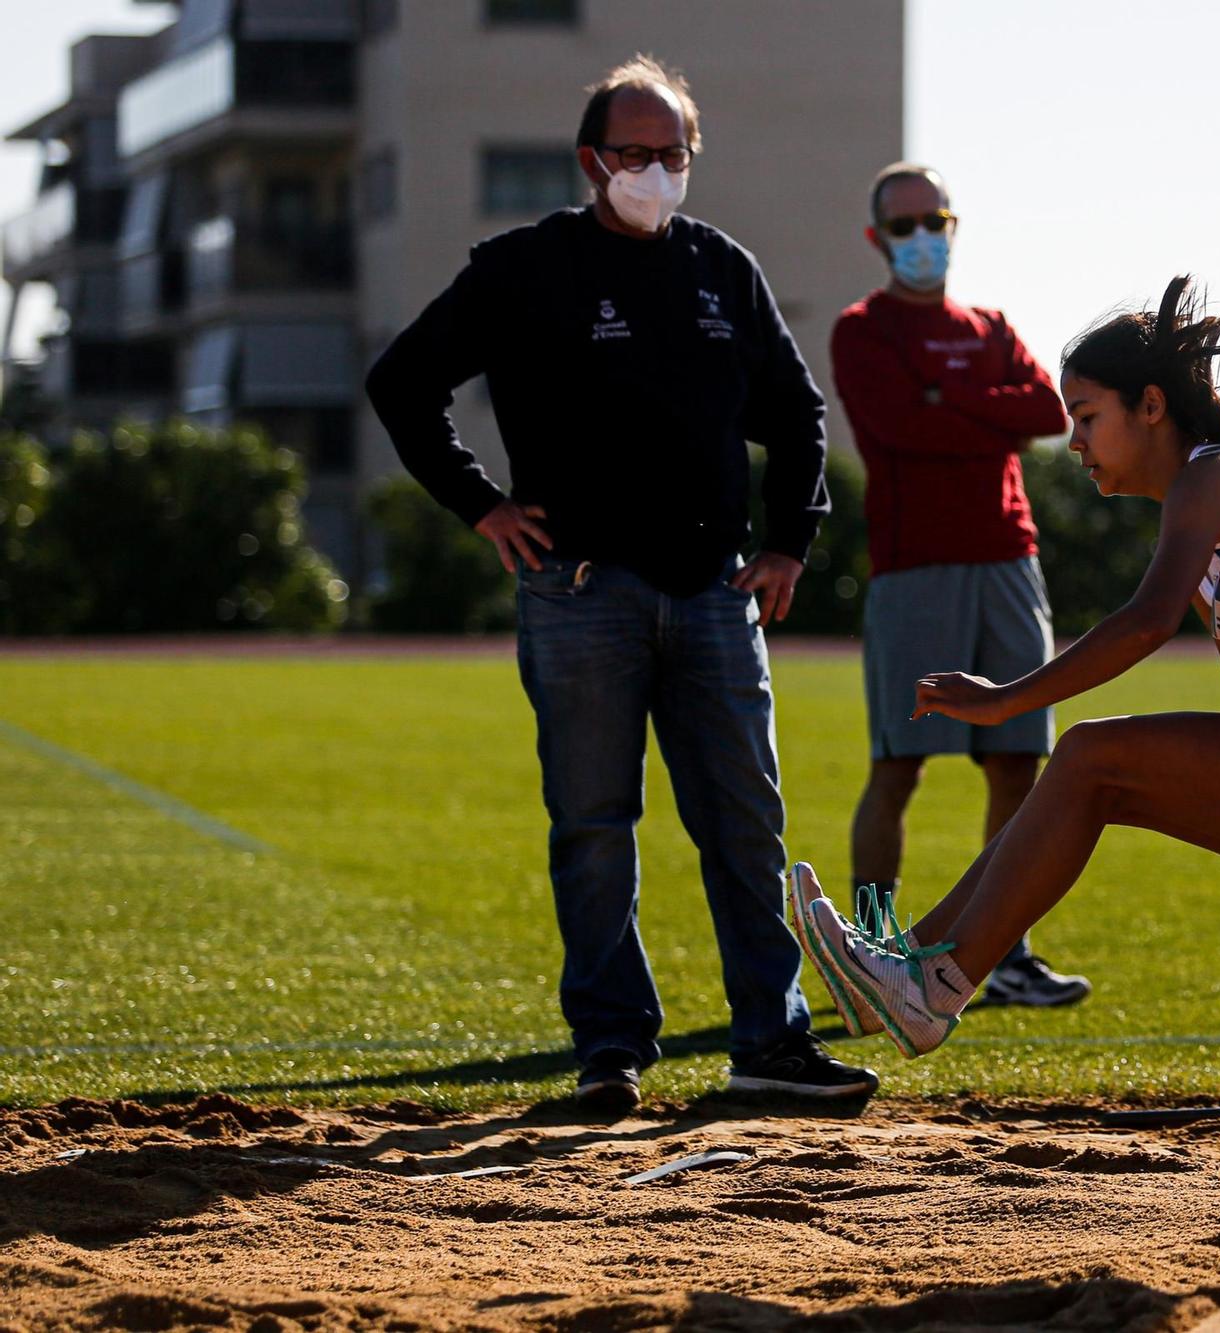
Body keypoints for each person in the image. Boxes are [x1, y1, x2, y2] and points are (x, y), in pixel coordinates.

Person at [365, 56, 877, 1108]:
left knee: (746, 824)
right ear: (592, 159)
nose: (653, 170)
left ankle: (769, 1046)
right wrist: (481, 504)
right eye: (633, 153)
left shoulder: (719, 268)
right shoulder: (523, 267)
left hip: (713, 593)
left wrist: (790, 543)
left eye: (671, 153)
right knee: (593, 827)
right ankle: (610, 1051)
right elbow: (403, 383)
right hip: (578, 590)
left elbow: (795, 412)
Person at [788, 277, 1220, 1058]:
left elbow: (1144, 624)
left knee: (1089, 752)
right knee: (1089, 771)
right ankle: (906, 971)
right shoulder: (1214, 542)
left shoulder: (1218, 476)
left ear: (1150, 406)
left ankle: (926, 986)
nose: (1074, 443)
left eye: (1087, 416)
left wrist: (1007, 700)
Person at [827, 163, 1091, 1008]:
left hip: (1009, 560)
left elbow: (1048, 412)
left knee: (1020, 762)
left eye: (932, 219)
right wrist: (981, 410)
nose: (921, 237)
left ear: (952, 225)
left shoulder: (988, 324)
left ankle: (1005, 950)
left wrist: (952, 395)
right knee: (899, 765)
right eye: (903, 225)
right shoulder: (862, 330)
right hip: (915, 573)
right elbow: (900, 427)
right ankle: (868, 946)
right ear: (878, 239)